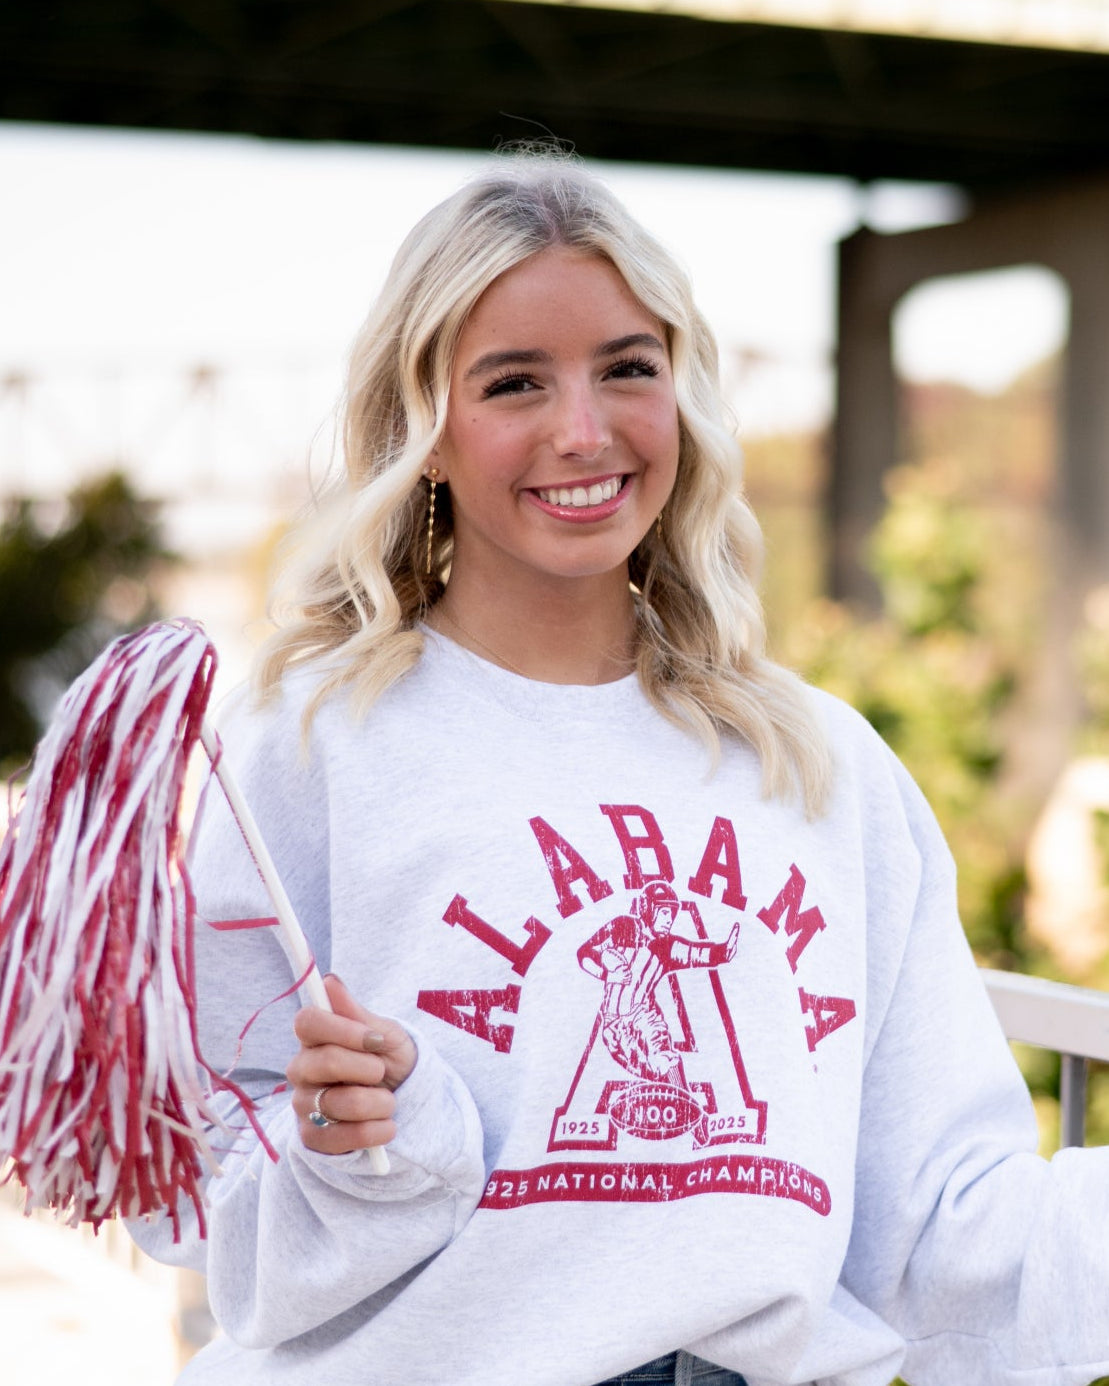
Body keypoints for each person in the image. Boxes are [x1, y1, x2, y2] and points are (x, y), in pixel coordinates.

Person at [129, 150, 1109, 1386]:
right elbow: (194, 1210)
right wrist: (358, 1150)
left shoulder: (814, 764)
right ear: (425, 432)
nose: (581, 431)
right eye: (513, 383)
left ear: (682, 396)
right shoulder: (308, 748)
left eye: (626, 369)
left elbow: (936, 1228)